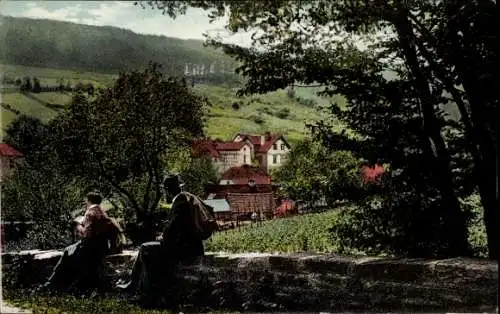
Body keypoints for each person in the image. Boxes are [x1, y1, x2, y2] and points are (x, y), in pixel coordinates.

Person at [116, 174, 218, 310]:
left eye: (165, 190)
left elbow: (174, 227)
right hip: (193, 246)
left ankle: (136, 289)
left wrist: (163, 237)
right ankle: (140, 290)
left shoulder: (180, 201)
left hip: (183, 249)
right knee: (149, 255)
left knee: (145, 248)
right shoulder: (190, 197)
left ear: (167, 190)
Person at [38, 191, 125, 295]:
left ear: (88, 200)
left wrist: (78, 225)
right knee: (70, 253)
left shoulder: (90, 213)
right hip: (102, 246)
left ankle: (51, 284)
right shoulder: (103, 212)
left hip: (90, 247)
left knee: (67, 252)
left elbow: (87, 235)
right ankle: (54, 285)